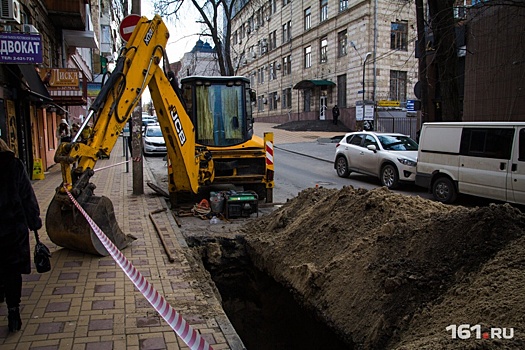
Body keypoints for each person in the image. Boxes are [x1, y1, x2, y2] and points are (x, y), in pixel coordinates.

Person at [0, 138, 42, 332]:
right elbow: (27, 197)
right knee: (12, 270)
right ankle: (13, 311)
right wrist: (34, 222)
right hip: (11, 229)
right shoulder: (14, 166)